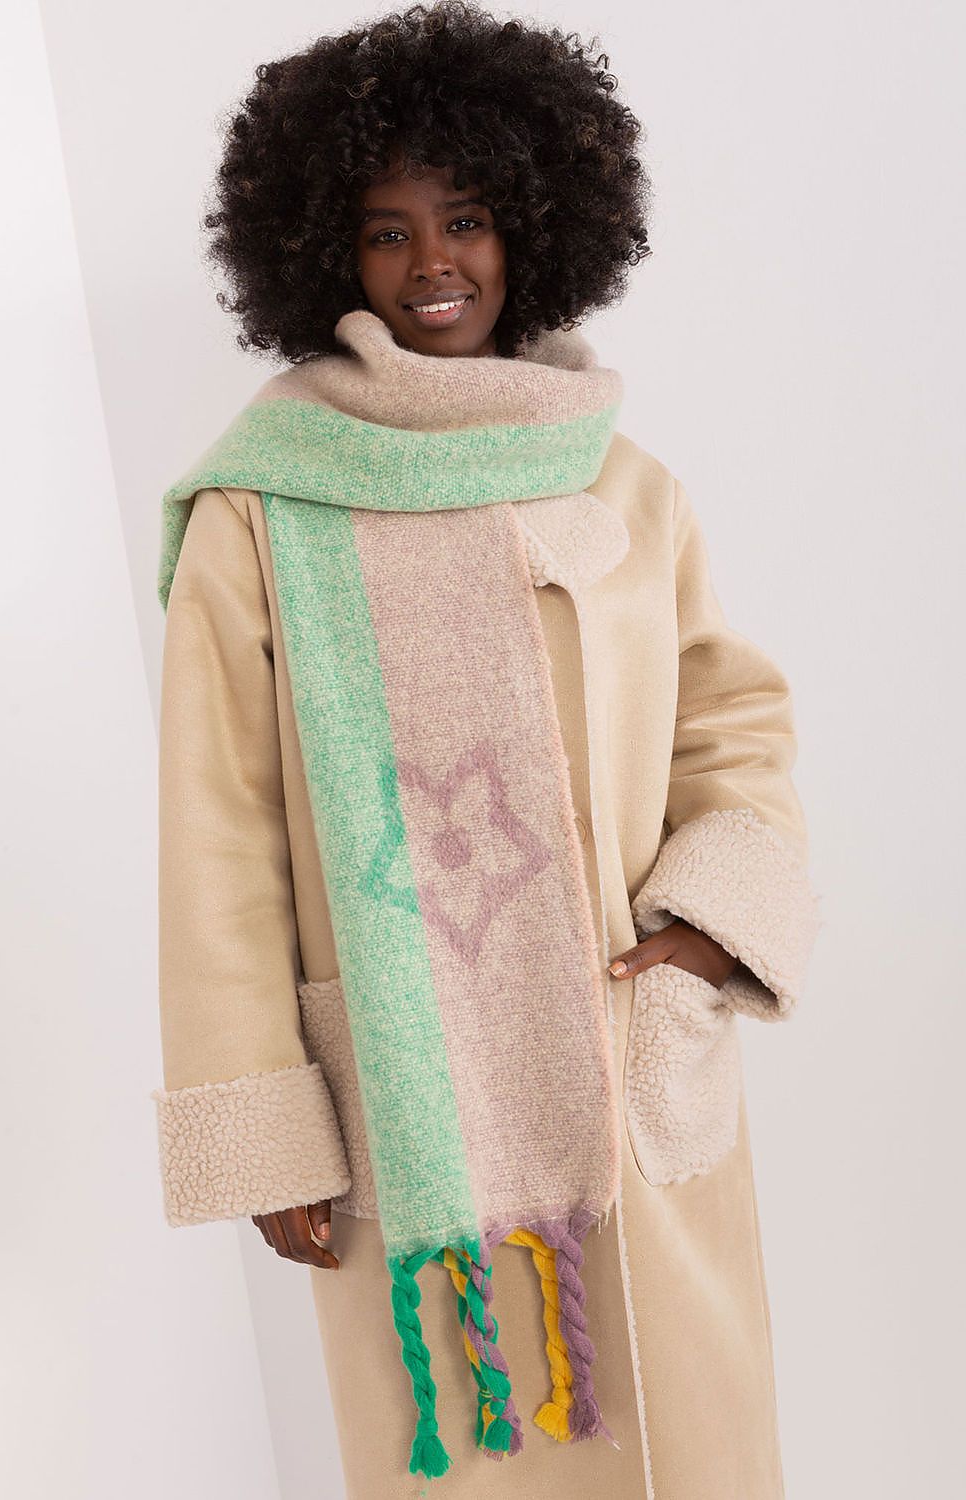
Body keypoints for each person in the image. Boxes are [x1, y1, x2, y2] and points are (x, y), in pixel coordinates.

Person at [150, 4, 821, 1497]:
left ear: (532, 226)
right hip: (410, 1114)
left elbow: (729, 718)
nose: (432, 264)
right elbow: (216, 829)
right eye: (386, 232)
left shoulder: (618, 480)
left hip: (629, 1074)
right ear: (323, 252)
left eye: (464, 219)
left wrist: (715, 925)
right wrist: (264, 1119)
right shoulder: (262, 507)